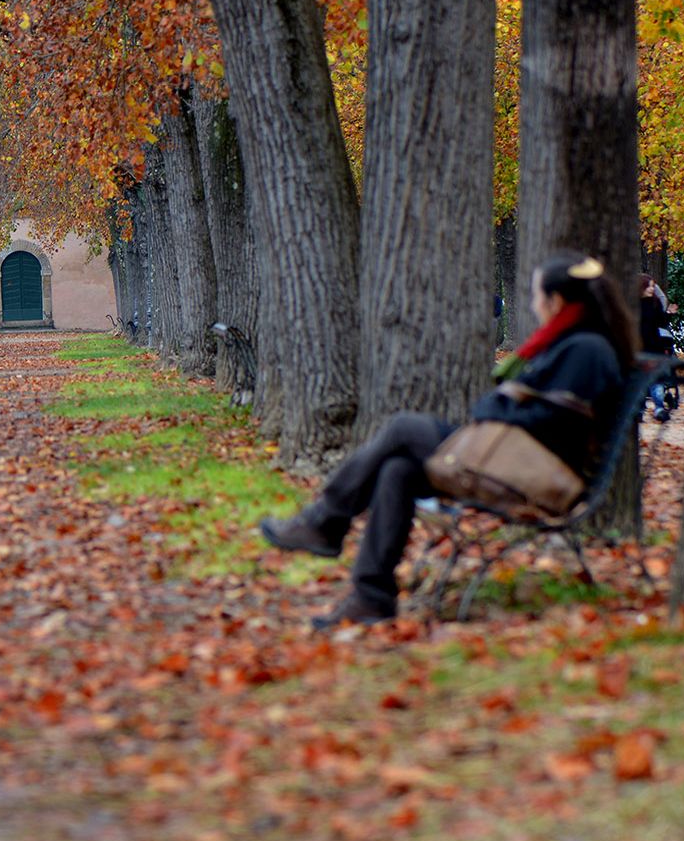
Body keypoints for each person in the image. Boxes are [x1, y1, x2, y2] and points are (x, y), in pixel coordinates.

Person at [260, 251, 637, 628]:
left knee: (404, 427)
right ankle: (370, 597)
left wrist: (495, 407)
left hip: (532, 476)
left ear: (555, 301)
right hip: (514, 462)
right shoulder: (573, 344)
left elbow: (556, 425)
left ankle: (325, 521)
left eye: (537, 295)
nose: (534, 304)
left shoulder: (587, 350)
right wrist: (500, 403)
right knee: (398, 469)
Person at [638, 274, 677, 422]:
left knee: (656, 379)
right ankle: (639, 410)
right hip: (640, 346)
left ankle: (659, 407)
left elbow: (660, 322)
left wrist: (668, 313)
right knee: (641, 380)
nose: (651, 289)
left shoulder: (654, 303)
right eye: (649, 286)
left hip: (654, 345)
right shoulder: (634, 304)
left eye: (653, 286)